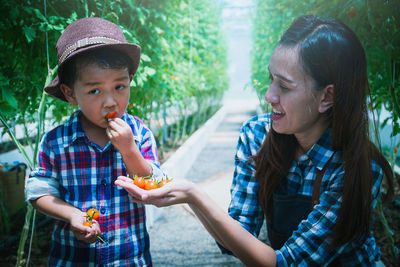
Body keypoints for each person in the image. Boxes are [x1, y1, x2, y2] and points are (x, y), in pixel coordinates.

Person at [115, 14, 395, 266]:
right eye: (271, 79)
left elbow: (285, 263)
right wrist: (187, 195)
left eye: (284, 86)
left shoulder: (356, 169)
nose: (269, 95)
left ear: (327, 97)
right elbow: (234, 239)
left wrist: (194, 194)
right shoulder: (258, 136)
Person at [25, 17, 163, 266]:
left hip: (130, 259)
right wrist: (72, 215)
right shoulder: (56, 142)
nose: (111, 101)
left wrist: (129, 150)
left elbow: (154, 187)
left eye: (119, 86)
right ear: (70, 93)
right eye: (95, 91)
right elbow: (38, 192)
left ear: (130, 80)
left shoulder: (139, 133)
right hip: (72, 259)